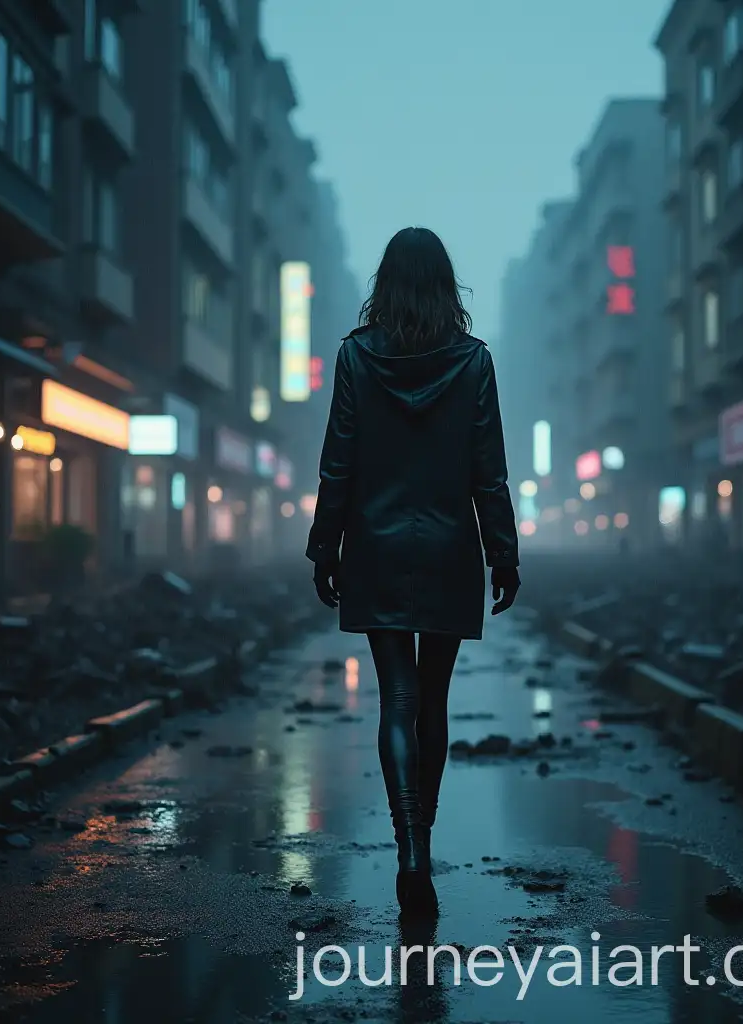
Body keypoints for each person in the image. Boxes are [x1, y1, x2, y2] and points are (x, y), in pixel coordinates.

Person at [306, 227, 520, 916]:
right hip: (450, 547)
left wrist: (324, 545)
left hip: (376, 546)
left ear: (387, 283)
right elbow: (489, 470)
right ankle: (422, 838)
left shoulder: (356, 356)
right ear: (445, 286)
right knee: (435, 698)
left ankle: (410, 849)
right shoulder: (474, 361)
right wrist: (504, 553)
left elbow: (339, 459)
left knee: (396, 696)